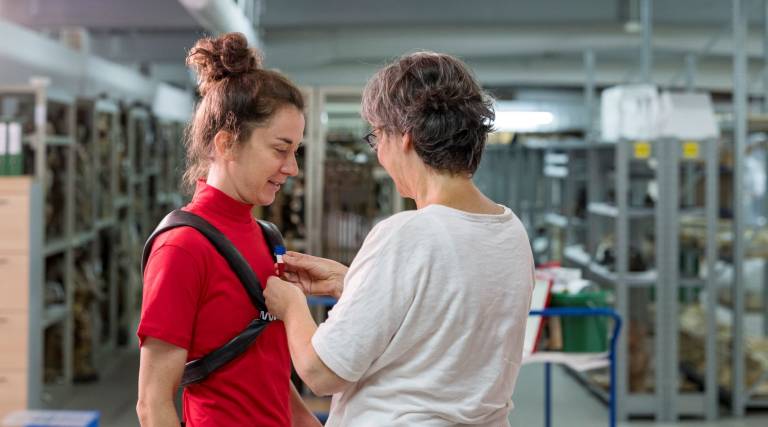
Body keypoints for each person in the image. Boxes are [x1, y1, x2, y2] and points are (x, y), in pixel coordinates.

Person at [264, 51, 535, 426]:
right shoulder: (509, 230)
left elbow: (321, 372)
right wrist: (354, 283)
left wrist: (291, 305)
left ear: (404, 138)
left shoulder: (408, 234)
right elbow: (446, 314)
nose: (379, 155)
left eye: (376, 137)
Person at [136, 32, 321, 427]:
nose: (292, 168)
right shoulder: (182, 248)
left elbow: (263, 369)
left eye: (296, 151)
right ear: (226, 143)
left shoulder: (266, 237)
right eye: (280, 149)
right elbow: (152, 405)